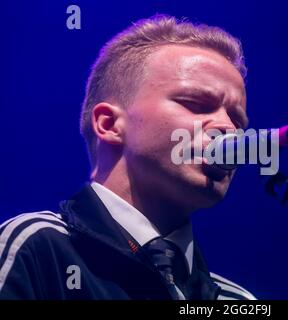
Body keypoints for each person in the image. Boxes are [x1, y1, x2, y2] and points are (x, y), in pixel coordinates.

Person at [0, 14, 255, 300]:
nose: (228, 129)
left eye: (238, 121)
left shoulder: (237, 302)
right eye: (196, 104)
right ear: (109, 125)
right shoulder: (37, 249)